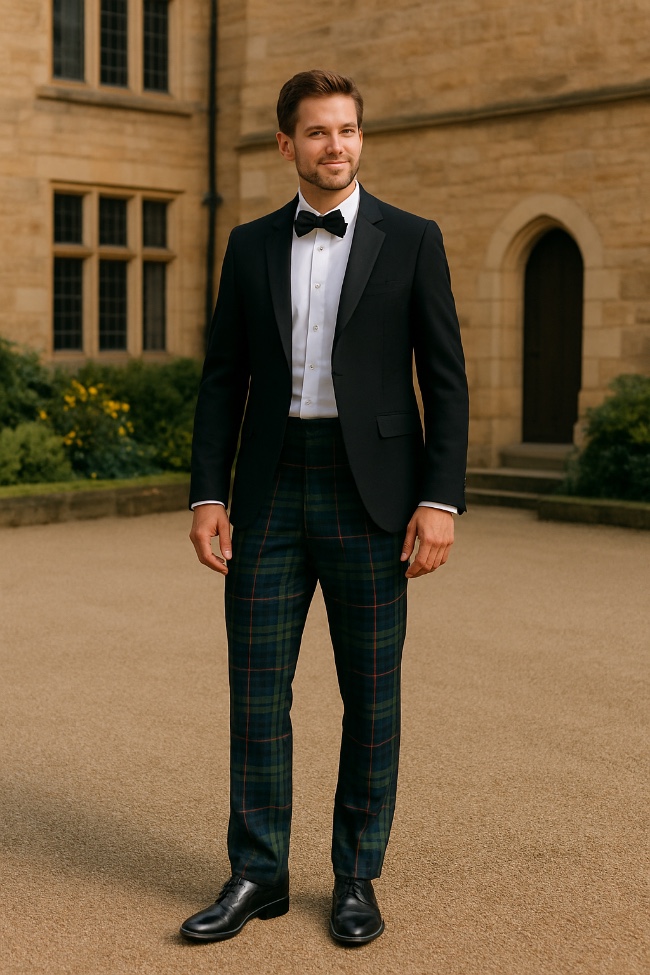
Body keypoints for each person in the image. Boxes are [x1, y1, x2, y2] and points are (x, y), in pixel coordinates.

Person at [181, 69, 469, 947]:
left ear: (360, 138)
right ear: (287, 144)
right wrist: (208, 492)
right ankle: (258, 872)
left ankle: (355, 876)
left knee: (370, 697)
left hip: (372, 495)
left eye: (346, 129)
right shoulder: (248, 245)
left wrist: (439, 500)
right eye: (316, 131)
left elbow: (446, 381)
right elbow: (223, 378)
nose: (334, 145)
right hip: (268, 490)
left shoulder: (412, 238)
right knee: (256, 692)